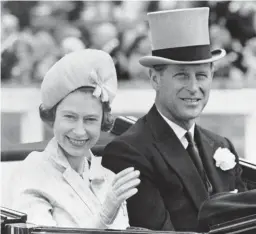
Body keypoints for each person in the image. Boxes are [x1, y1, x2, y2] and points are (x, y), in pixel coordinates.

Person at [102, 7, 246, 232]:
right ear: (155, 79)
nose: (193, 88)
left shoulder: (220, 145)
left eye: (201, 75)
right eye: (181, 75)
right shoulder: (128, 152)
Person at [10, 49, 140, 229]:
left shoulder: (109, 178)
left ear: (102, 122)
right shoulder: (32, 173)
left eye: (90, 120)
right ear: (52, 117)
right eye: (70, 117)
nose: (80, 131)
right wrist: (103, 217)